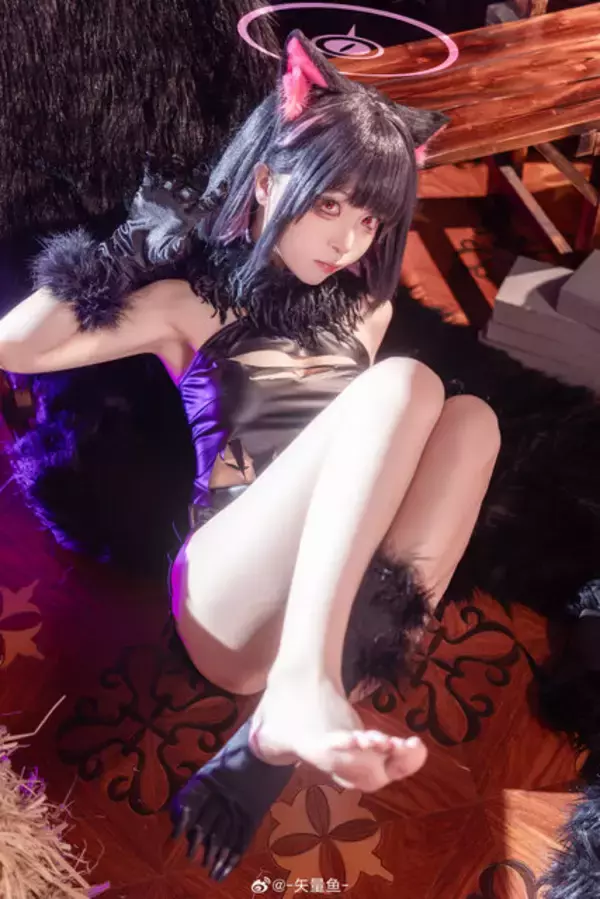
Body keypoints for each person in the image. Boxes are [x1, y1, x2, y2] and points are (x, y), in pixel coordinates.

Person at [0, 30, 501, 880]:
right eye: (329, 206)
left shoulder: (367, 312)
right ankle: (301, 684)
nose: (349, 242)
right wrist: (127, 245)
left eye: (370, 220)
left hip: (336, 606)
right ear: (267, 182)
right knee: (410, 384)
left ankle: (283, 721)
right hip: (227, 601)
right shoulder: (188, 305)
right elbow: (15, 347)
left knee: (475, 420)